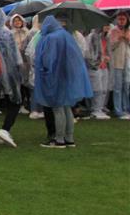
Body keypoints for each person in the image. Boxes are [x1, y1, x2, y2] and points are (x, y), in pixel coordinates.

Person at [34, 16, 93, 148]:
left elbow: (48, 59)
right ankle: (69, 138)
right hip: (67, 76)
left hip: (54, 77)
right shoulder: (65, 35)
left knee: (57, 108)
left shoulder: (51, 38)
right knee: (67, 107)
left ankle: (59, 139)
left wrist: (45, 71)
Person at [0, 7, 23, 148]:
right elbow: (15, 56)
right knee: (14, 102)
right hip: (8, 72)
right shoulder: (7, 34)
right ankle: (5, 129)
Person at [86, 25, 112, 120]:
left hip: (104, 66)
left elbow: (106, 51)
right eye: (105, 25)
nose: (108, 27)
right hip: (96, 67)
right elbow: (89, 53)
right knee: (97, 89)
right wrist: (97, 62)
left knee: (104, 89)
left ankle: (100, 108)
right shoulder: (93, 36)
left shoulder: (106, 37)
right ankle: (95, 109)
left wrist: (107, 57)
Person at [108, 12, 130, 119]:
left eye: (123, 19)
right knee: (118, 87)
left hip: (127, 61)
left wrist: (127, 38)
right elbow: (111, 46)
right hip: (117, 62)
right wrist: (119, 38)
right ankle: (118, 110)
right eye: (120, 19)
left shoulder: (129, 30)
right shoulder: (113, 31)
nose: (121, 21)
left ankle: (126, 108)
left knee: (126, 85)